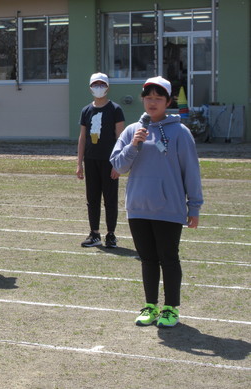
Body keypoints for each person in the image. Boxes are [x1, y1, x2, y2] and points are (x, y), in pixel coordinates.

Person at [110, 76, 203, 328]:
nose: (152, 102)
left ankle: (171, 308)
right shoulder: (132, 130)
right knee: (147, 259)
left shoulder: (180, 132)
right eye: (148, 97)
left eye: (158, 98)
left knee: (169, 258)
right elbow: (118, 166)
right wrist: (133, 145)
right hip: (138, 208)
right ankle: (150, 306)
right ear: (142, 99)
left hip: (169, 208)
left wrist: (194, 206)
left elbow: (191, 172)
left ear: (168, 101)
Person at [76, 73, 125, 248]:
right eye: (95, 84)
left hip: (109, 161)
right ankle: (94, 233)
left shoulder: (115, 109)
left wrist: (118, 163)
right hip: (91, 159)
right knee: (93, 198)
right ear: (90, 87)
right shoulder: (86, 110)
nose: (99, 87)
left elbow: (121, 138)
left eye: (102, 84)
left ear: (107, 87)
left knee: (110, 198)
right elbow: (82, 138)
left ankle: (111, 234)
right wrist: (79, 163)